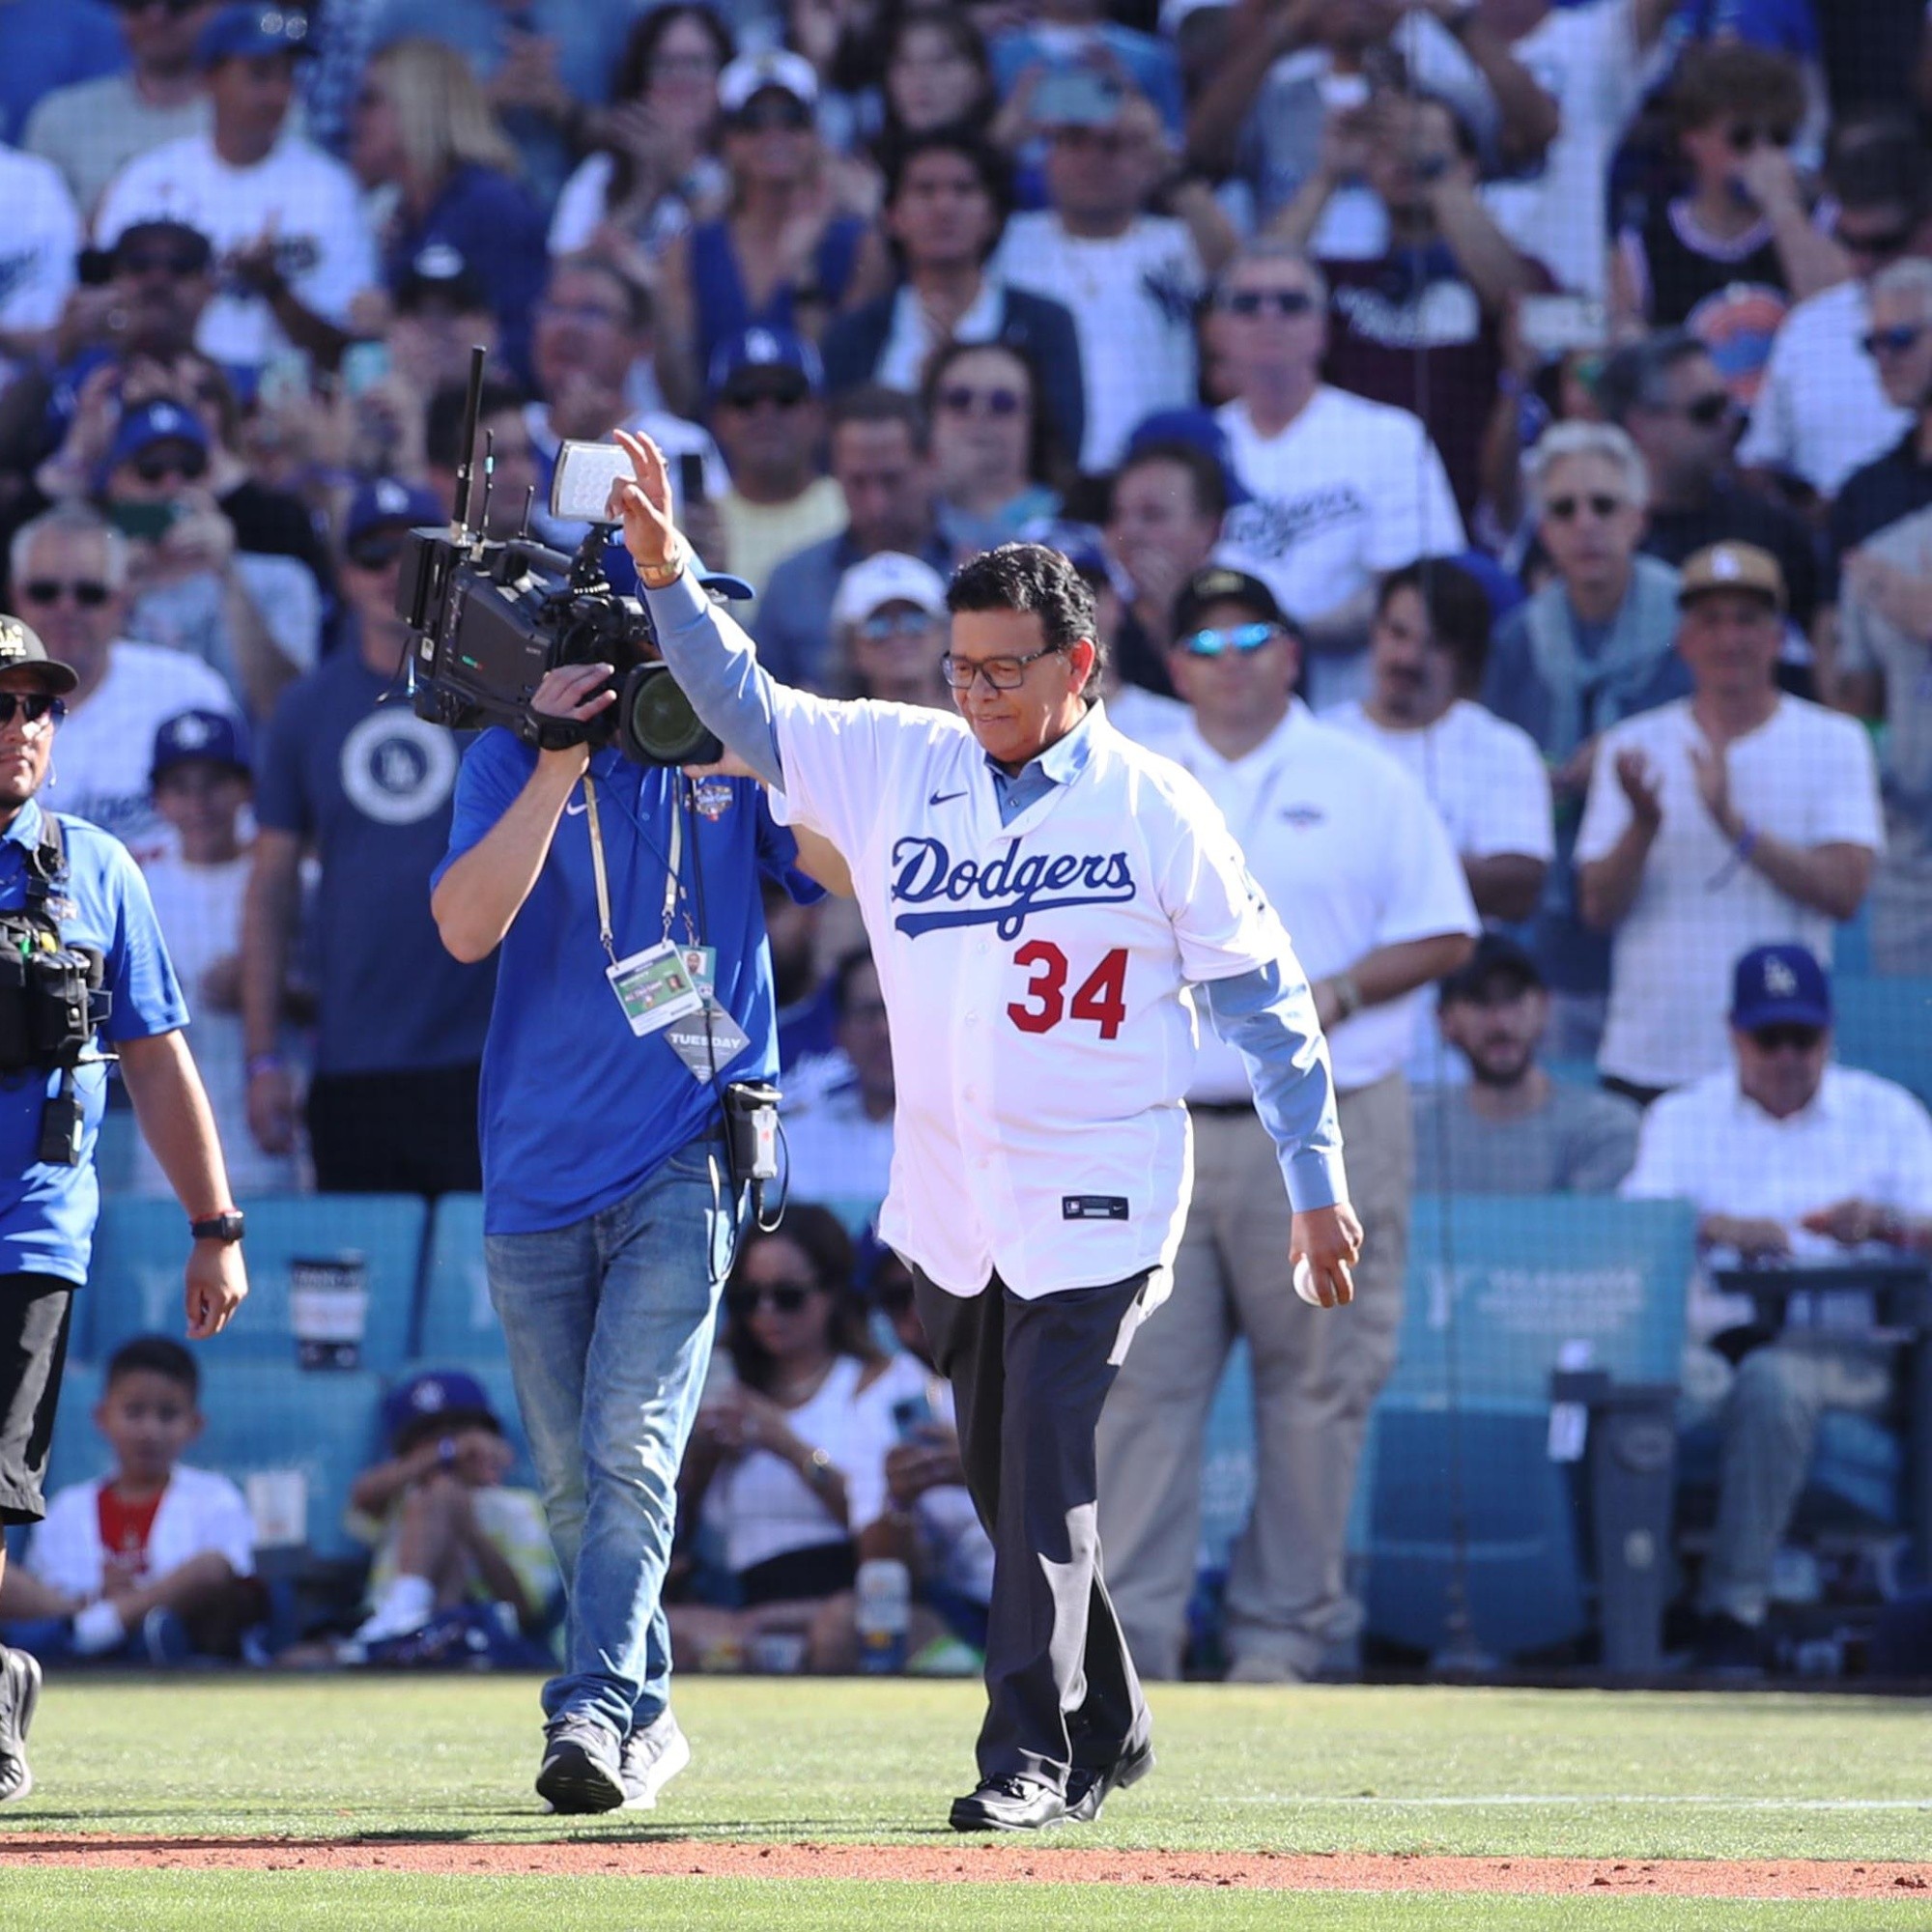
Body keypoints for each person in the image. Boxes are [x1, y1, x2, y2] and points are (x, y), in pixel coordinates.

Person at [609, 432, 1359, 1832]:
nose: (976, 691)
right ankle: (1114, 1718)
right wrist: (663, 573)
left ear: (1081, 666)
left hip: (1103, 1195)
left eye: (1006, 669)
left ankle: (1025, 1756)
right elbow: (745, 704)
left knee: (1046, 1468)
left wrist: (1316, 1186)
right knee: (1016, 1482)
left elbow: (1271, 1003)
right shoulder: (901, 760)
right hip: (951, 1202)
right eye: (962, 666)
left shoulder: (1157, 802)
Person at [425, 493, 824, 1814]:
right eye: (648, 627)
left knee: (633, 1444)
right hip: (535, 1168)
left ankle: (590, 1713)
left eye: (685, 625)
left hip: (686, 1149)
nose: (665, 657)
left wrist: (768, 734)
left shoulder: (724, 746)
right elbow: (465, 930)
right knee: (571, 1477)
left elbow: (839, 858)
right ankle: (643, 1710)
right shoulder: (504, 757)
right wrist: (550, 758)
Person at [1096, 561, 1474, 1688]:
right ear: (1176, 665)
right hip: (1163, 1122)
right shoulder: (1135, 771)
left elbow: (1446, 929)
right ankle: (1133, 1654)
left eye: (1249, 636)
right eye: (1203, 644)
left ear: (1289, 652)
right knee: (1137, 1393)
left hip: (1326, 1118)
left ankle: (1279, 1646)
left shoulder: (1362, 777)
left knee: (1315, 1391)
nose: (1227, 660)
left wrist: (1341, 993)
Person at [0, 610, 248, 1805]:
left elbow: (155, 1058)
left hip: (28, 1227)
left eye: (36, 705)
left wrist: (215, 1226)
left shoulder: (97, 867)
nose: (19, 726)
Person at [1623, 944, 1932, 1670]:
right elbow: (1636, 1227)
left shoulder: (1884, 1113)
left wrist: (1884, 1223)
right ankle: (1643, 1600)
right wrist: (1716, 1225)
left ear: (1829, 1034)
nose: (1788, 1057)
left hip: (1857, 1352)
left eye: (1805, 1038)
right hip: (1713, 1345)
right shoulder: (1684, 1116)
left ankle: (1733, 1610)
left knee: (1774, 1380)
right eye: (1770, 1039)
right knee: (1637, 1379)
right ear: (1734, 1033)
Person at [242, 477, 496, 1197]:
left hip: (490, 1058)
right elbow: (270, 895)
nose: (393, 573)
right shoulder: (305, 710)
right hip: (352, 1061)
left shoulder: (509, 702)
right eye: (371, 554)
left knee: (484, 1302)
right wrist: (263, 1059)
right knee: (359, 1302)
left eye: (416, 554)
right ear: (343, 575)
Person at [1577, 543, 1881, 1102]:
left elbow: (1845, 891)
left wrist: (1733, 824)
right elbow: (1597, 907)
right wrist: (1643, 826)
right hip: (1651, 1060)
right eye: (1710, 621)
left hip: (1780, 1062)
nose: (1729, 639)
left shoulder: (1835, 741)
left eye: (1747, 620)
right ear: (1685, 639)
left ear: (1776, 637)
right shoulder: (1632, 744)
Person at [1482, 421, 1690, 1058]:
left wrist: (1632, 751)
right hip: (1556, 924)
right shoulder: (1517, 637)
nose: (1585, 524)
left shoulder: (1692, 620)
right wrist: (1539, 780)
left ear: (1638, 518)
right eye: (1564, 509)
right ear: (1543, 531)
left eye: (1604, 505)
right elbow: (1492, 767)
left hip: (1673, 906)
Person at [1269, 89, 1549, 517]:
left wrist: (1436, 171)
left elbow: (1517, 298)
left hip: (1468, 508)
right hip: (1350, 503)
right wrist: (1327, 175)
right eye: (1388, 145)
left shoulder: (1513, 267)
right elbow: (1257, 278)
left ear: (1469, 166)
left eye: (1422, 140)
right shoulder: (1338, 275)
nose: (1405, 157)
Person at [1210, 243, 1464, 713]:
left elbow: (1420, 586)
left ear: (1322, 328)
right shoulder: (1199, 443)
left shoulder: (1390, 435)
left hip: (1358, 712)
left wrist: (1288, 635)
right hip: (1227, 714)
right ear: (1219, 330)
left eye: (1290, 302)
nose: (1269, 316)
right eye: (1248, 304)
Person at [92, 5, 379, 376]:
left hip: (287, 389)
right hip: (169, 381)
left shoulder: (329, 187)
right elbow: (106, 316)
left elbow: (347, 346)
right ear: (209, 78)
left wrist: (273, 286)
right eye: (260, 75)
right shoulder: (149, 179)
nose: (278, 94)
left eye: (288, 76)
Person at [670, 1209, 897, 1675]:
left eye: (788, 1297)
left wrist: (787, 1445)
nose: (766, 1314)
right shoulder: (723, 1384)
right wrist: (703, 1458)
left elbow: (885, 1523)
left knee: (835, 1629)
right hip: (741, 1602)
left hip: (849, 1598)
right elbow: (678, 1542)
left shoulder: (874, 1384)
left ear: (833, 1292)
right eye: (749, 1298)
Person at [992, 85, 1224, 473]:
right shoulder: (1004, 238)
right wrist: (1007, 135)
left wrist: (1161, 150)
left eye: (1114, 146)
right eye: (1075, 143)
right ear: (1048, 159)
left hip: (1152, 468)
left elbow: (1236, 265)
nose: (1093, 161)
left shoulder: (1177, 241)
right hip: (1042, 469)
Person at [822, 131, 1086, 465]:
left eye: (964, 190)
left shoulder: (1045, 323)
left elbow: (1063, 446)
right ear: (893, 217)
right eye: (924, 190)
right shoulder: (854, 334)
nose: (944, 207)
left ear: (993, 215)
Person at [0, 1337, 257, 1667]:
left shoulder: (215, 1497)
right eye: (134, 1412)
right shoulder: (68, 1507)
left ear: (195, 1425)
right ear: (103, 1417)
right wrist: (92, 1600)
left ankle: (103, 1629)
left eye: (167, 1415)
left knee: (211, 1566)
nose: (150, 1431)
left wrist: (134, 1602)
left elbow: (225, 1578)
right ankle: (95, 1629)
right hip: (71, 1623)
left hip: (176, 1637)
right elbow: (47, 1589)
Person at [9, 502, 239, 860]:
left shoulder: (183, 688)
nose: (66, 609)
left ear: (122, 600)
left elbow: (237, 838)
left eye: (90, 594)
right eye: (45, 592)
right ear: (16, 597)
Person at [1329, 559, 1552, 926]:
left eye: (1433, 644)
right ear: (1374, 631)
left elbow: (1519, 887)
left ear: (1465, 657)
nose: (1408, 659)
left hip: (1459, 971)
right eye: (1398, 633)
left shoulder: (1503, 749)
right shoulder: (1321, 739)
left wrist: (1370, 862)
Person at [134, 708, 297, 1199]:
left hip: (272, 1134)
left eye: (214, 784)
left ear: (246, 788)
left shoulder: (287, 879)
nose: (199, 803)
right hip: (166, 1147)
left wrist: (265, 987)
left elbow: (330, 994)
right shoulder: (138, 884)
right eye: (181, 787)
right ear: (158, 799)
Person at [658, 50, 883, 386]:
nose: (774, 135)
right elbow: (680, 385)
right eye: (753, 122)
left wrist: (804, 270)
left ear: (816, 134)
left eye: (793, 119)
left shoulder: (860, 245)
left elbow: (834, 377)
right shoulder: (688, 250)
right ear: (728, 139)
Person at [1735, 114, 1926, 501]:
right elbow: (1761, 462)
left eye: (1882, 243)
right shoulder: (1810, 327)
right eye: (1849, 242)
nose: (1861, 263)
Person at [1608, 40, 1843, 355]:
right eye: (1742, 137)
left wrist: (1783, 207)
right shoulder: (1646, 243)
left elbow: (1835, 314)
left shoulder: (1821, 221)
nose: (1764, 154)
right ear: (1692, 140)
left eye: (1779, 137)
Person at [1598, 331, 1822, 645]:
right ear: (1642, 424)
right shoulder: (1597, 533)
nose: (1727, 423)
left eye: (1728, 406)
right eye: (1707, 411)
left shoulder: (1770, 528)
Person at [349, 37, 550, 384]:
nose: (355, 116)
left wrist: (396, 321)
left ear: (418, 105)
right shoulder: (403, 212)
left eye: (370, 100)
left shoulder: (492, 204)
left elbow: (524, 344)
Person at [344, 1369, 557, 1659]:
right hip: (378, 1637)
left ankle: (408, 1616)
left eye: (461, 1431)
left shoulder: (518, 1505)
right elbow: (362, 1493)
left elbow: (526, 1611)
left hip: (480, 1640)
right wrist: (445, 1452)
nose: (456, 1450)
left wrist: (468, 1530)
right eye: (431, 1439)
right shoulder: (396, 1497)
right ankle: (402, 1615)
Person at [757, 386, 952, 693]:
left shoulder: (991, 564)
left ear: (930, 462)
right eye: (857, 481)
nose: (877, 504)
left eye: (892, 479)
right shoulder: (791, 584)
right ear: (834, 473)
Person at [1413, 934, 1640, 1193]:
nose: (1500, 1023)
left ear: (1544, 1007)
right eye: (1479, 1001)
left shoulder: (1603, 1128)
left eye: (1513, 998)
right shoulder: (1415, 1134)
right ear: (1444, 1019)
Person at [546, 7, 733, 269]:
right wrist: (641, 200)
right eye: (665, 65)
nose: (681, 81)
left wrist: (681, 175)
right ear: (642, 81)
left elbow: (740, 266)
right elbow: (561, 274)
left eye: (697, 64)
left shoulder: (742, 166)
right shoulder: (601, 171)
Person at [707, 327, 844, 632]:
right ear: (718, 420)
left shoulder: (855, 505)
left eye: (786, 396)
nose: (765, 412)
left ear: (818, 414)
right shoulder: (694, 526)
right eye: (744, 399)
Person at [23, 0, 216, 215]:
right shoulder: (60, 117)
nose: (156, 17)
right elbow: (36, 229)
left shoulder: (245, 115)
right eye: (137, 4)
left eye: (176, 4)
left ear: (215, 9)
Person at [1103, 440, 1227, 695]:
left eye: (1152, 515)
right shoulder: (1099, 619)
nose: (1128, 532)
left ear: (1210, 530)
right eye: (1118, 515)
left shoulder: (1250, 611)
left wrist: (1172, 624)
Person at [926, 340, 1064, 559]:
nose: (979, 414)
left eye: (1002, 403)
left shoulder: (1068, 519)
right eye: (960, 400)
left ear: (1033, 419)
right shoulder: (904, 515)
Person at [781, 949, 897, 1205]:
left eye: (896, 1010)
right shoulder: (792, 1145)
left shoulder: (963, 1137)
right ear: (840, 1034)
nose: (884, 1030)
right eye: (868, 1013)